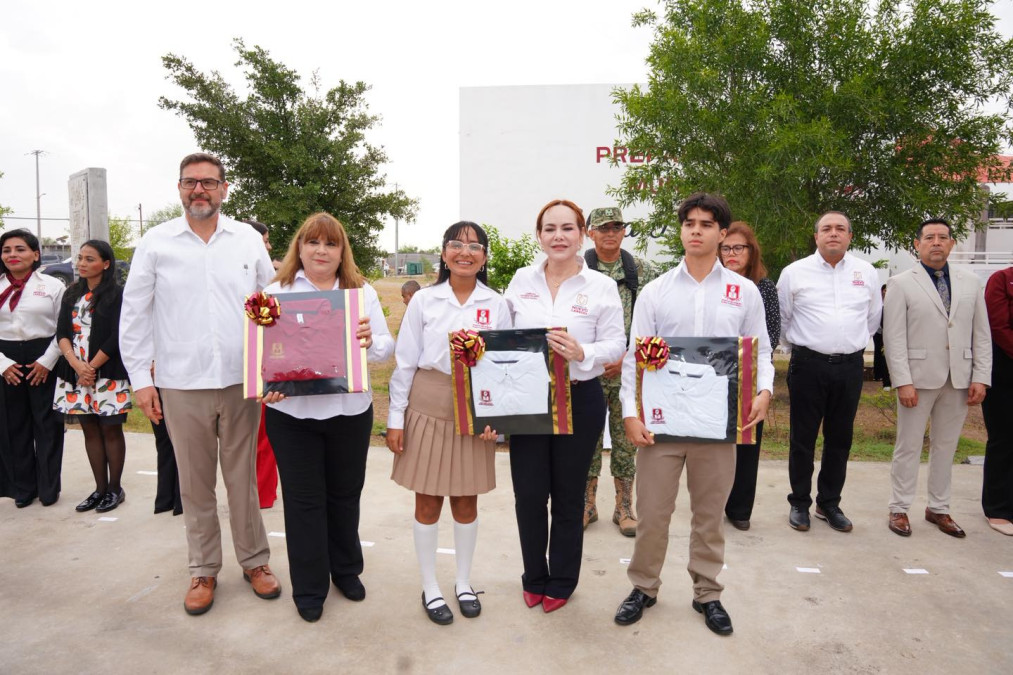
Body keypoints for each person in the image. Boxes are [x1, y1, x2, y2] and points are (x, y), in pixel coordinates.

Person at [119, 152, 280, 616]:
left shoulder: (248, 239)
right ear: (179, 189)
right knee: (194, 483)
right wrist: (140, 380)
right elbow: (135, 314)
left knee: (242, 479)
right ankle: (204, 568)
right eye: (191, 183)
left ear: (224, 189)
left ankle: (255, 562)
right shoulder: (156, 242)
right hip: (180, 381)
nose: (200, 191)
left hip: (241, 379)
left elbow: (274, 303)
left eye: (209, 183)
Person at [613, 193, 773, 636]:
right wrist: (631, 414)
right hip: (662, 425)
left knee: (709, 514)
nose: (697, 230)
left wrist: (764, 390)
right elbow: (634, 359)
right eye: (690, 223)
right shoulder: (656, 291)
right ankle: (643, 586)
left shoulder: (744, 292)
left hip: (718, 425)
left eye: (707, 223)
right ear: (681, 230)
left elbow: (760, 351)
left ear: (723, 233)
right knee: (653, 513)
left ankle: (708, 592)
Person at [261, 212, 394, 622]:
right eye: (313, 242)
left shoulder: (360, 293)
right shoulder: (273, 293)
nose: (321, 250)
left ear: (342, 252)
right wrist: (267, 378)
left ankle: (346, 570)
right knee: (303, 502)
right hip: (291, 413)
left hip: (348, 412)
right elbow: (258, 352)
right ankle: (310, 586)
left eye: (331, 244)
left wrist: (370, 341)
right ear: (299, 247)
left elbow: (385, 348)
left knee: (344, 495)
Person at [504, 199, 625, 613]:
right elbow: (500, 338)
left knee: (569, 497)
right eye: (550, 228)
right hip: (528, 397)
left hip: (581, 398)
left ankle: (562, 580)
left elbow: (616, 344)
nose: (559, 236)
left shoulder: (601, 287)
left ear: (582, 235)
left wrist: (582, 350)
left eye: (568, 228)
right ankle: (533, 576)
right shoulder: (521, 280)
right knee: (529, 495)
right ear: (539, 236)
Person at [387, 221, 508, 625]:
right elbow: (405, 362)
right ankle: (430, 586)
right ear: (443, 253)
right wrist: (395, 418)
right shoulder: (424, 301)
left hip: (476, 408)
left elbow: (506, 368)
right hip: (428, 401)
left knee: (466, 499)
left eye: (474, 246)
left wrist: (499, 419)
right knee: (427, 500)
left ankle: (462, 581)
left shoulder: (498, 303)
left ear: (485, 257)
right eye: (456, 244)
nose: (465, 252)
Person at [883, 219, 991, 538]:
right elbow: (894, 336)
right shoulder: (901, 283)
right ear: (917, 245)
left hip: (959, 377)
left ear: (952, 243)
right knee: (908, 445)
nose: (936, 242)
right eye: (929, 237)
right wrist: (902, 380)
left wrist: (980, 376)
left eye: (943, 237)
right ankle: (899, 507)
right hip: (917, 378)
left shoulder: (971, 281)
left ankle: (939, 508)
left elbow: (981, 335)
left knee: (946, 446)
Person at [777, 211, 882, 533]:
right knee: (802, 439)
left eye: (840, 229)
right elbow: (783, 319)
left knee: (840, 438)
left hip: (850, 366)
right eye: (826, 229)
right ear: (816, 236)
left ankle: (829, 502)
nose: (833, 233)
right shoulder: (795, 273)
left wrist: (846, 343)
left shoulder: (865, 272)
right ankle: (799, 502)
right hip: (808, 365)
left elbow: (872, 317)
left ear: (850, 236)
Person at [582, 206, 652, 537]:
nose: (610, 233)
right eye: (603, 228)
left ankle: (624, 507)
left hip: (628, 371)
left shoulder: (641, 270)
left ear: (623, 231)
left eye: (616, 227)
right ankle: (587, 503)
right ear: (589, 232)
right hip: (587, 370)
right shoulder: (578, 270)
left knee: (626, 441)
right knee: (586, 440)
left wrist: (625, 357)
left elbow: (652, 321)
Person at [53, 240, 132, 513]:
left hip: (107, 370)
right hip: (75, 372)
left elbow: (117, 335)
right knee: (89, 429)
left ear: (106, 263)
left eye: (89, 259)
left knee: (110, 428)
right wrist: (77, 366)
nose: (81, 264)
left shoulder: (117, 295)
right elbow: (62, 333)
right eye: (80, 258)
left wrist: (92, 367)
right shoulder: (71, 293)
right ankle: (99, 489)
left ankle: (114, 488)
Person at [718, 221, 780, 531]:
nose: (731, 253)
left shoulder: (763, 287)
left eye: (738, 248)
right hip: (713, 376)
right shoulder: (710, 285)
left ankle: (740, 509)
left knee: (746, 445)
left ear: (750, 251)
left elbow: (770, 337)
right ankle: (714, 503)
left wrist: (761, 386)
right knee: (714, 447)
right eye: (726, 248)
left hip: (749, 377)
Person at [0, 229, 66, 508]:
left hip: (44, 356)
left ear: (35, 255)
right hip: (6, 359)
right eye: (6, 250)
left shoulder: (52, 286)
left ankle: (49, 487)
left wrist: (46, 362)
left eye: (20, 249)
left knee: (48, 425)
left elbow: (63, 328)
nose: (12, 255)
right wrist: (3, 365)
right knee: (13, 428)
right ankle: (23, 488)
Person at [244, 219, 279, 509]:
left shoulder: (273, 280)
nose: (268, 246)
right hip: (239, 362)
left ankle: (263, 494)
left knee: (263, 436)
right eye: (265, 241)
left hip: (262, 361)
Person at [982, 265, 1013, 536]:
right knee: (1004, 439)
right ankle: (999, 508)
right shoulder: (1002, 279)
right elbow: (998, 326)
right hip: (1005, 371)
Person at [872, 285, 892, 390]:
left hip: (888, 331)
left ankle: (887, 380)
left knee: (885, 354)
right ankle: (878, 374)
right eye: (884, 290)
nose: (886, 292)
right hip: (878, 331)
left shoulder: (893, 302)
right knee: (878, 352)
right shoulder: (878, 302)